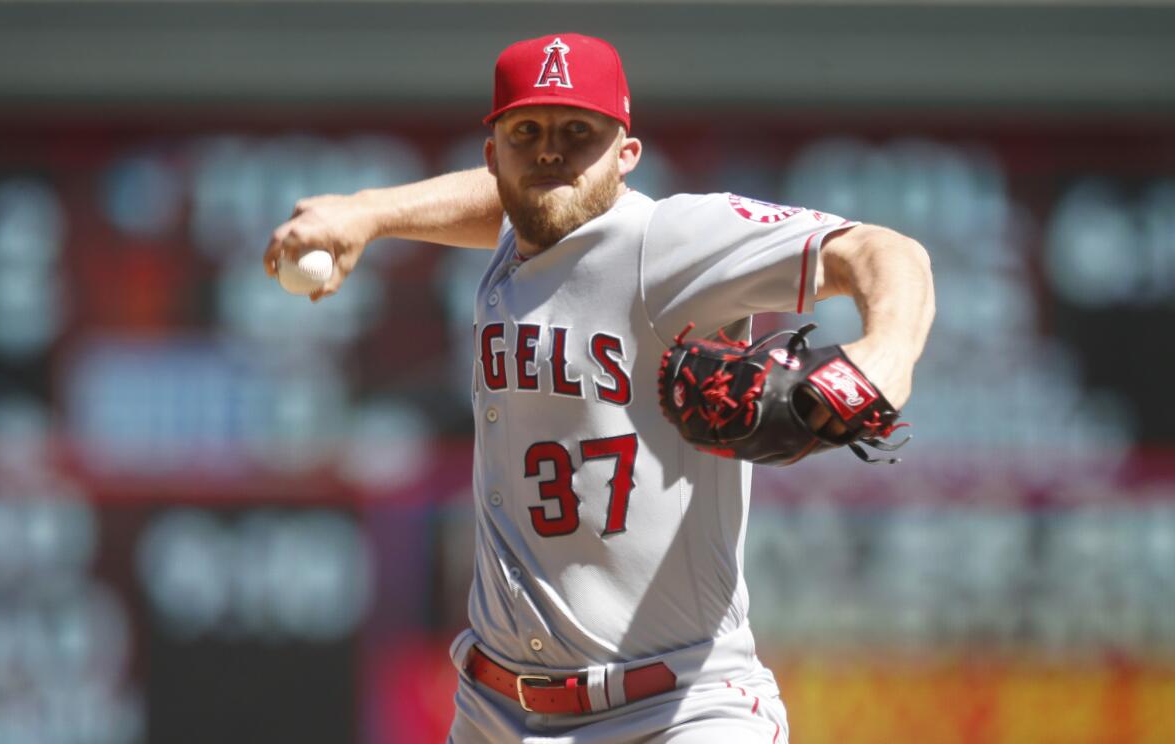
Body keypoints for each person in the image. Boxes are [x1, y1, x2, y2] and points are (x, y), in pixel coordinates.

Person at [265, 32, 934, 744]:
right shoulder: (517, 234)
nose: (552, 151)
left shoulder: (665, 241)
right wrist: (367, 211)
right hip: (498, 712)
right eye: (528, 131)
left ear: (625, 156)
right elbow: (505, 203)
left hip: (678, 710)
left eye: (579, 133)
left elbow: (885, 251)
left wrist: (884, 358)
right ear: (495, 159)